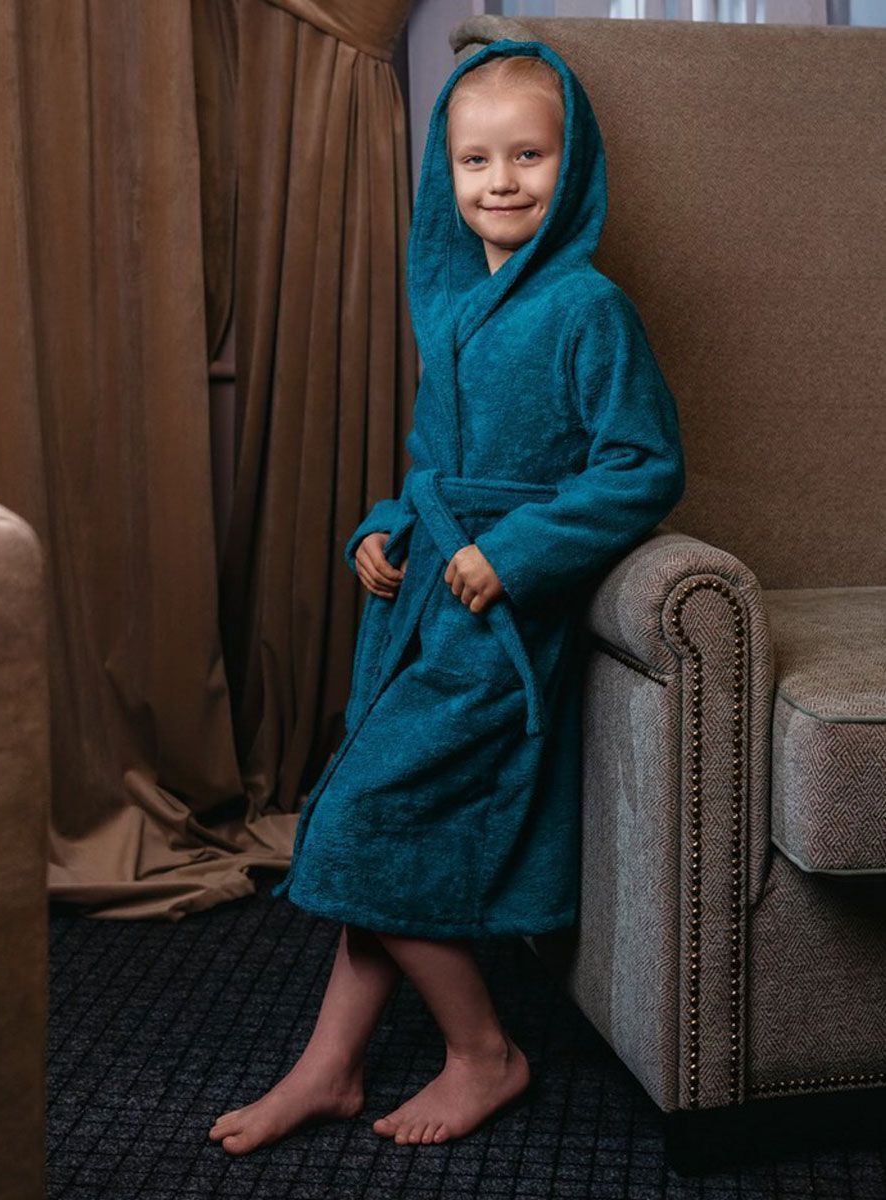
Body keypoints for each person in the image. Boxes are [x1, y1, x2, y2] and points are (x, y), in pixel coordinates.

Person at [209, 38, 685, 1155]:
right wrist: (385, 527)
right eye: (477, 161)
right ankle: (332, 1067)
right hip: (423, 604)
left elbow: (642, 464)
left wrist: (516, 552)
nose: (502, 181)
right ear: (447, 174)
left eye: (529, 155)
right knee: (386, 828)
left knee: (366, 819)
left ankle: (484, 1053)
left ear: (574, 164)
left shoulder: (589, 309)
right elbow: (436, 465)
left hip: (499, 623)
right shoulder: (458, 304)